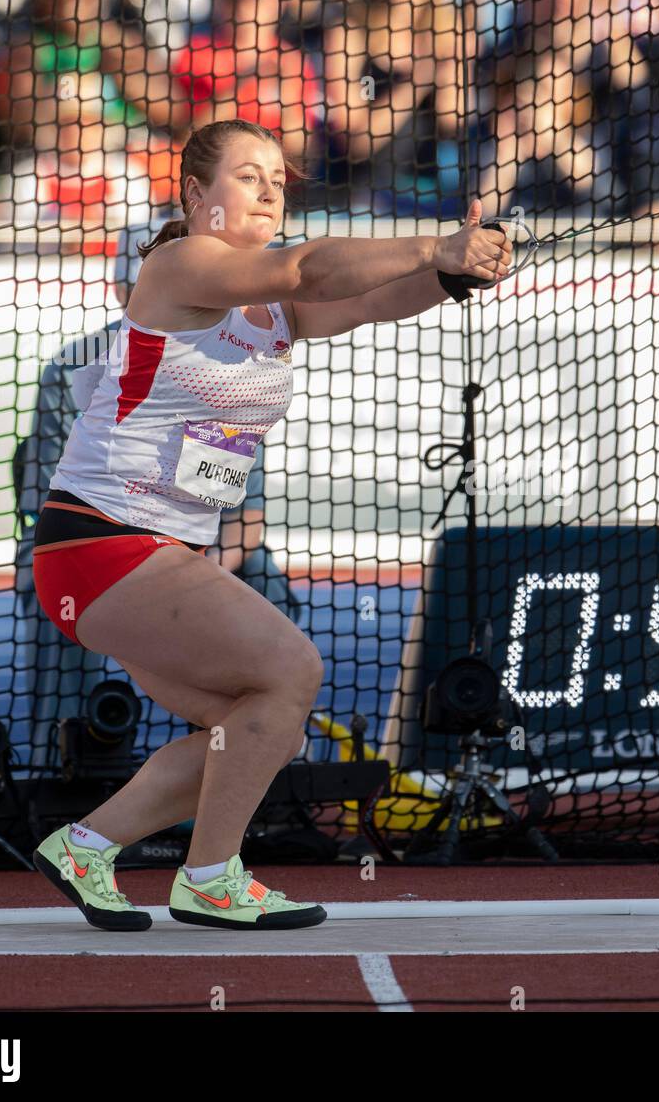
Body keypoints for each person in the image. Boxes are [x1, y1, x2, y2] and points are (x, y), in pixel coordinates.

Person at [30, 117, 511, 931]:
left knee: (260, 727)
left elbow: (375, 300)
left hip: (150, 557)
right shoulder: (181, 263)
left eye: (278, 178)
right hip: (101, 542)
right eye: (248, 175)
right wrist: (440, 242)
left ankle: (86, 845)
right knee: (293, 668)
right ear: (195, 196)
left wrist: (462, 271)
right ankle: (212, 877)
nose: (269, 189)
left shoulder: (270, 309)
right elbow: (312, 267)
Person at [13, 209, 301, 770]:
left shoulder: (237, 362)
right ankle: (64, 767)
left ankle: (250, 760)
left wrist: (197, 577)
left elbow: (247, 516)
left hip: (196, 554)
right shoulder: (73, 367)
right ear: (125, 287)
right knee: (45, 580)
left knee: (261, 576)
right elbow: (48, 504)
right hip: (91, 545)